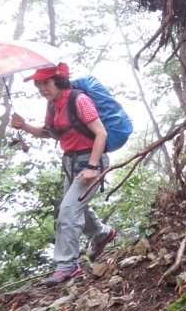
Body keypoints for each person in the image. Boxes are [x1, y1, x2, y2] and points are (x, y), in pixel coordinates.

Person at [11, 62, 116, 286]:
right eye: (38, 84)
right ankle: (101, 234)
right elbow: (48, 132)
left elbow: (101, 133)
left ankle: (67, 265)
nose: (41, 88)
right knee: (73, 206)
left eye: (45, 82)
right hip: (71, 162)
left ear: (58, 81)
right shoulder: (53, 106)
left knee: (68, 211)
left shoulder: (79, 100)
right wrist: (24, 126)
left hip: (90, 161)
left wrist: (91, 165)